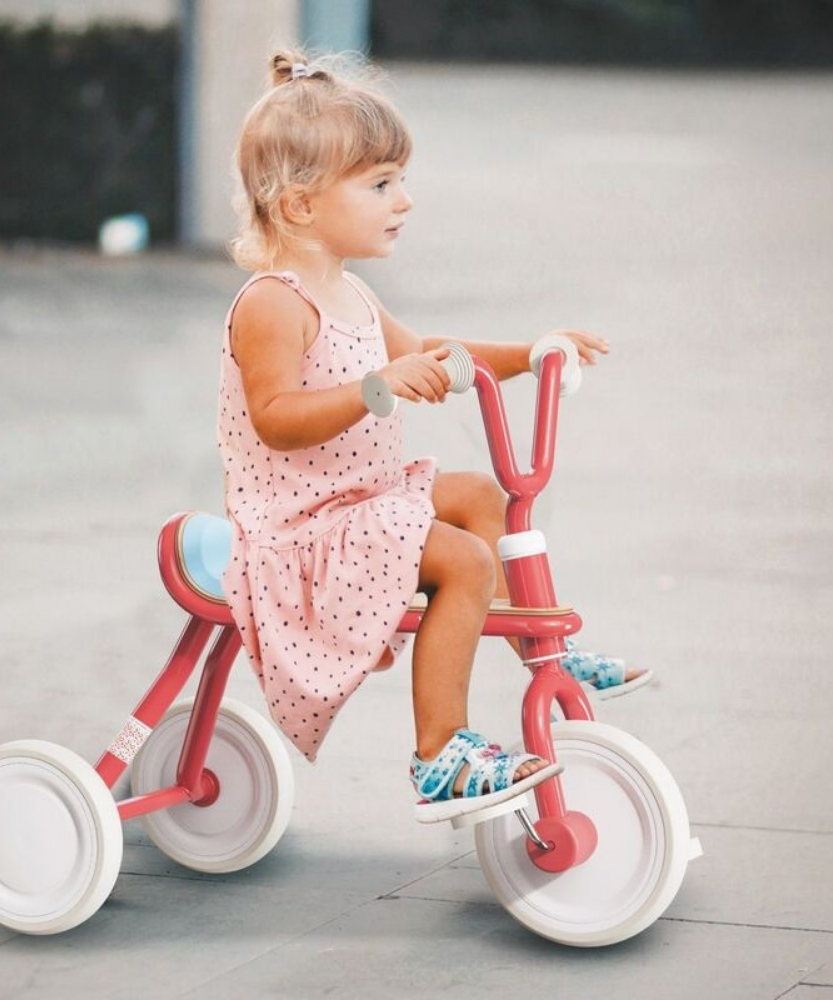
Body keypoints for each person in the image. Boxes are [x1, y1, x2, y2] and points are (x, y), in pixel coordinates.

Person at [216, 49, 646, 824]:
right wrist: (371, 390)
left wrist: (528, 352)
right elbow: (275, 417)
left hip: (356, 501)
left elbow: (433, 352)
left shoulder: (348, 290)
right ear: (303, 206)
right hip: (301, 529)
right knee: (463, 558)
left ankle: (534, 645)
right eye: (381, 184)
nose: (405, 201)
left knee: (480, 493)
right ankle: (439, 752)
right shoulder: (272, 305)